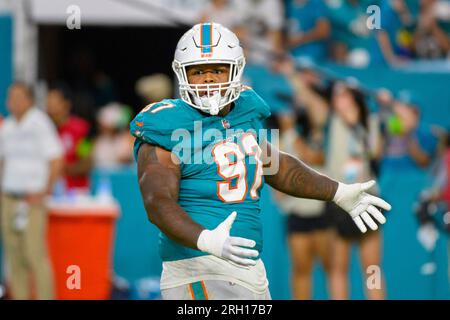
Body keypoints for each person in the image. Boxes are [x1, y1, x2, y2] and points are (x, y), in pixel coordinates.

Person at [129, 23, 391, 300]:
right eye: (198, 71)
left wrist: (337, 191)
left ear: (235, 70)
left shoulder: (245, 112)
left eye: (217, 70)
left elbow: (279, 168)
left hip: (248, 269)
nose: (207, 80)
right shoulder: (166, 123)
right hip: (197, 267)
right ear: (182, 74)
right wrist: (205, 239)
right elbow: (157, 202)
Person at [0, 82, 63, 299]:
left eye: (18, 97)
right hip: (9, 198)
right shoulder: (7, 126)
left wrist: (45, 190)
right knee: (14, 256)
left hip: (32, 199)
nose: (13, 101)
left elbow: (56, 159)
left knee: (34, 254)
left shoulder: (39, 123)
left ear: (29, 100)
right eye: (11, 97)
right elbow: (4, 161)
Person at [325, 82, 385, 300]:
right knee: (338, 267)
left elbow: (375, 151)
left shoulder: (372, 121)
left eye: (344, 95)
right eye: (336, 95)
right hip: (338, 198)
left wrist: (358, 123)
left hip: (366, 198)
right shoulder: (329, 120)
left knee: (372, 267)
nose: (338, 99)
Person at [46, 83, 92, 191]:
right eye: (48, 104)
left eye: (54, 104)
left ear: (66, 105)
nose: (50, 109)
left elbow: (86, 162)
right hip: (50, 192)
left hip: (76, 192)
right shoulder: (44, 130)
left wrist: (59, 167)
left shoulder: (82, 129)